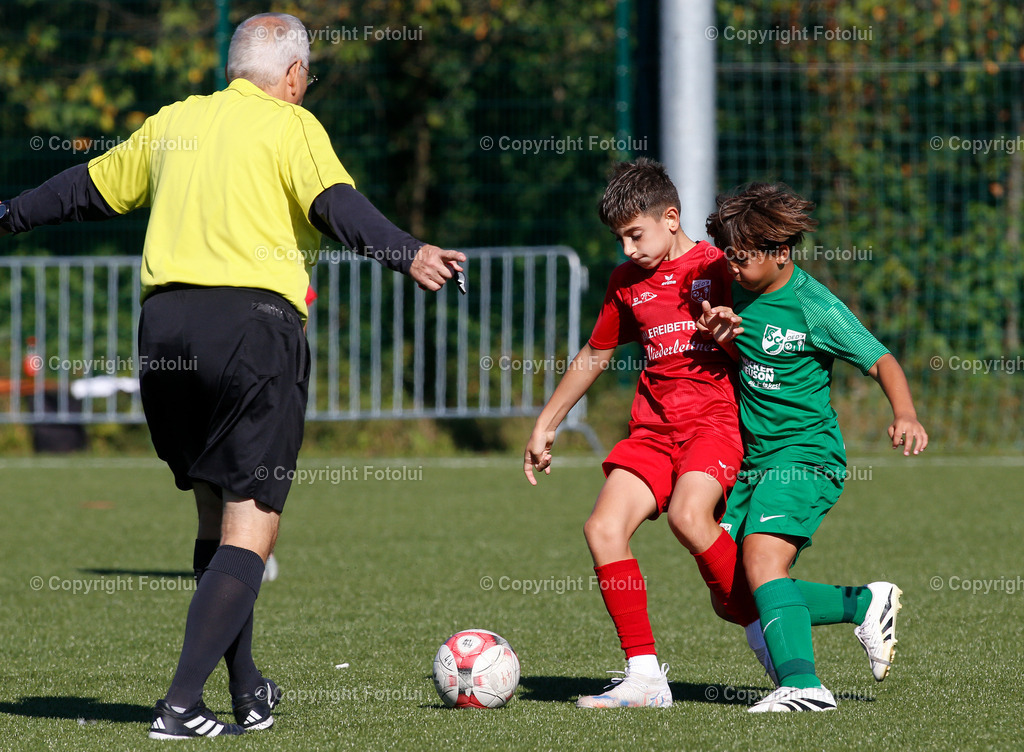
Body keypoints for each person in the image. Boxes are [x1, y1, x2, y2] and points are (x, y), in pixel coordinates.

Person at [0, 12, 465, 739]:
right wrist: (405, 251)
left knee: (215, 518)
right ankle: (180, 705)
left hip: (165, 334)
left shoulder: (174, 122)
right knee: (253, 525)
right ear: (292, 75)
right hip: (251, 333)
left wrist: (6, 215)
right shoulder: (291, 125)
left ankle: (247, 691)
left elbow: (84, 188)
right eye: (307, 77)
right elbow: (334, 205)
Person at [524, 158, 765, 709]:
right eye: (620, 238)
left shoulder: (720, 267)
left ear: (672, 217)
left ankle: (764, 633)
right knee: (602, 529)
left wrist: (730, 337)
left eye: (636, 234)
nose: (628, 248)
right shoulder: (626, 282)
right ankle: (646, 677)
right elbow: (596, 353)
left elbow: (759, 348)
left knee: (688, 517)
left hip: (714, 424)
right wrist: (546, 423)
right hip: (653, 430)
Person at [700, 182, 928, 712]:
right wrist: (723, 340)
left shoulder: (813, 305)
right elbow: (745, 363)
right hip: (755, 462)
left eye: (743, 259)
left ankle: (804, 687)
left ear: (780, 253)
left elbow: (880, 359)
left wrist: (906, 413)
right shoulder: (732, 293)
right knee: (731, 596)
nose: (731, 268)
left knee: (762, 557)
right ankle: (864, 602)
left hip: (806, 455)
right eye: (728, 257)